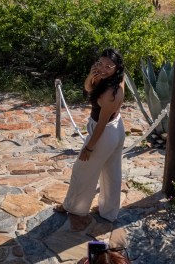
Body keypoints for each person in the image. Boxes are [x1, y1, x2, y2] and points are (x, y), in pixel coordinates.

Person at [55, 48, 126, 231]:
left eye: (108, 66)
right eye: (100, 64)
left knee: (82, 170)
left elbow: (101, 124)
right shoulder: (114, 79)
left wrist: (89, 148)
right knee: (112, 172)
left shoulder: (111, 92)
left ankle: (73, 207)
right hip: (117, 129)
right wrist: (92, 75)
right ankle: (109, 212)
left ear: (116, 68)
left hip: (105, 132)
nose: (103, 68)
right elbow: (88, 88)